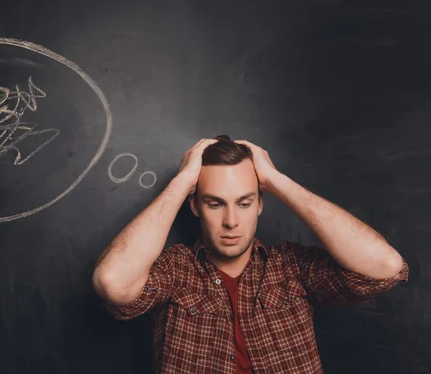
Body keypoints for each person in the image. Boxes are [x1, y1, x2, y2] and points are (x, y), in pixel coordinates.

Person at [92, 135, 409, 374]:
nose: (231, 221)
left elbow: (384, 266)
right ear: (195, 205)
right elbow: (112, 283)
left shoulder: (291, 267)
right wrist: (182, 183)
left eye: (244, 203)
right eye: (215, 203)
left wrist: (276, 181)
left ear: (260, 203)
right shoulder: (174, 270)